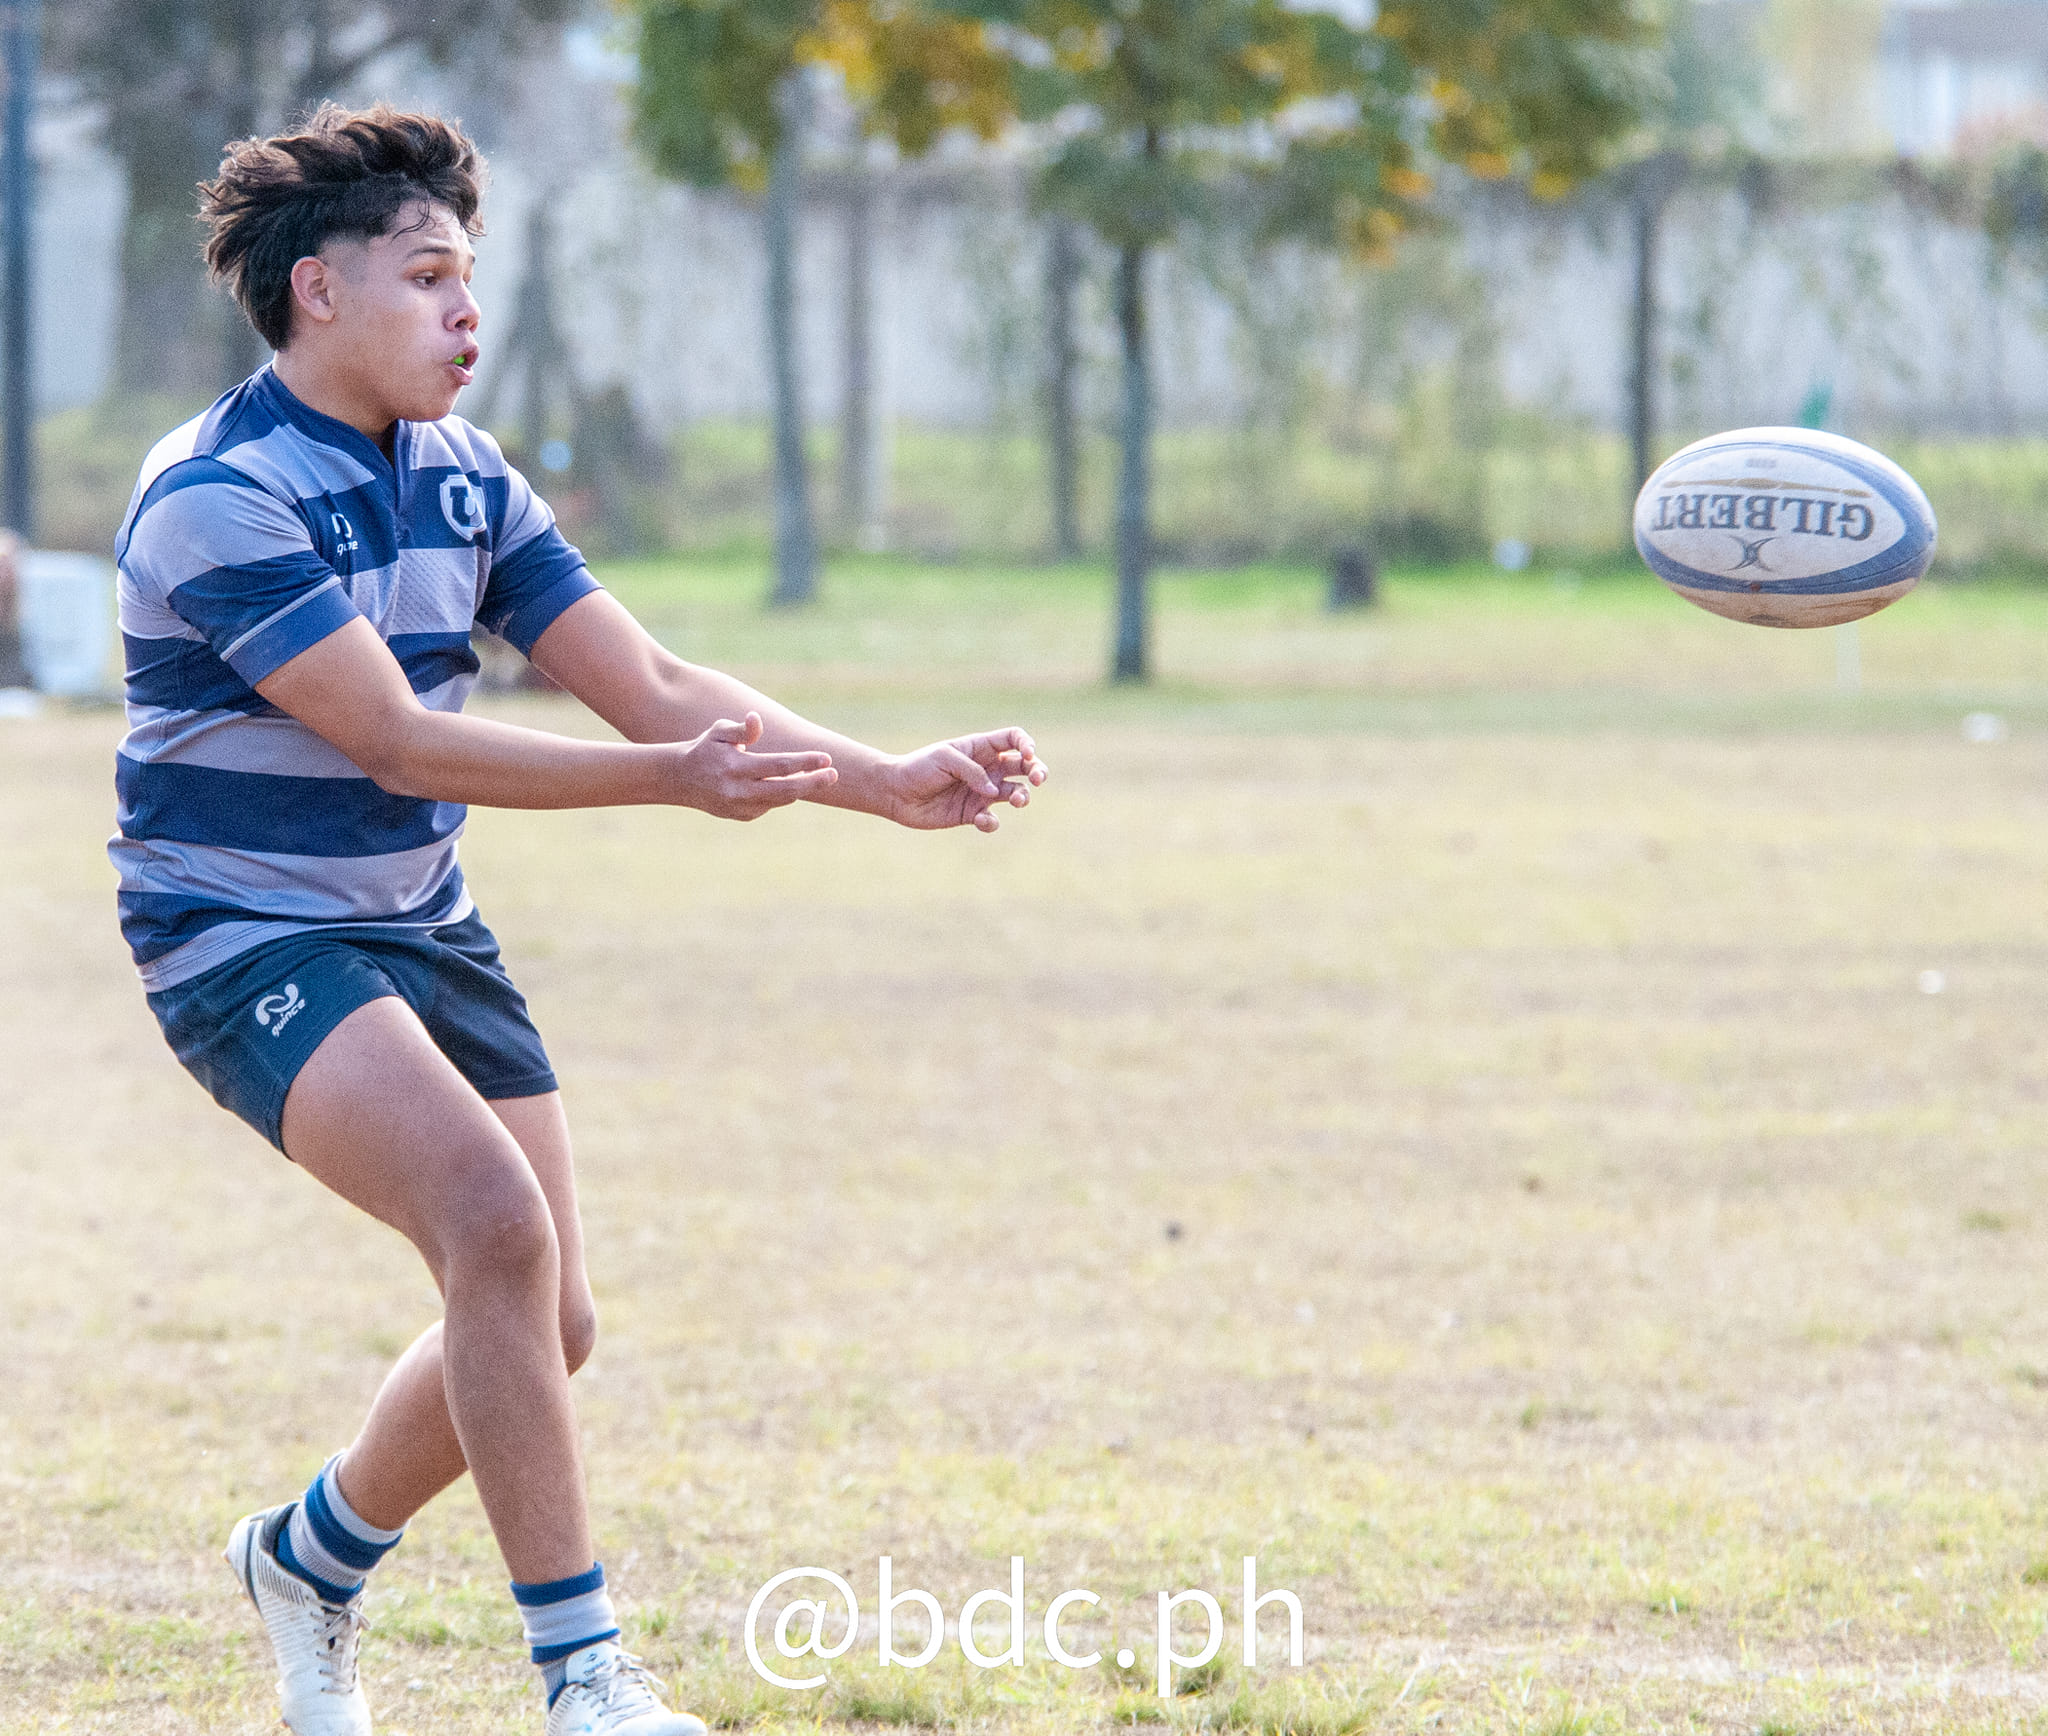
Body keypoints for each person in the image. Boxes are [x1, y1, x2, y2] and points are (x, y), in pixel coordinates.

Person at [111, 103, 1047, 1736]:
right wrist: (673, 785)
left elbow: (662, 689)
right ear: (315, 292)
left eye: (475, 277)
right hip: (239, 931)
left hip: (419, 916)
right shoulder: (216, 494)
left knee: (549, 1317)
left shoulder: (468, 483)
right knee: (491, 1219)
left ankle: (306, 1559)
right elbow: (397, 739)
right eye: (429, 276)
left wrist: (880, 778)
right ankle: (585, 1681)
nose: (469, 313)